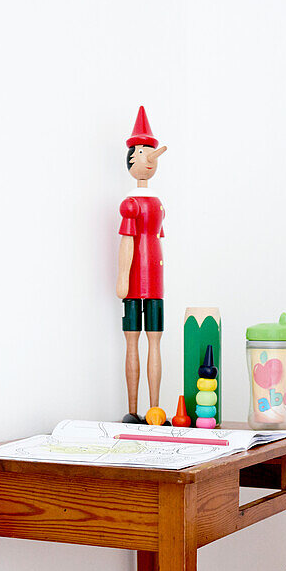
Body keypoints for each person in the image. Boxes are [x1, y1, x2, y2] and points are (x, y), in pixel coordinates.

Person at [116, 106, 167, 423]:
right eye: (143, 152)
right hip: (135, 283)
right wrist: (123, 278)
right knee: (134, 340)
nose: (149, 158)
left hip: (156, 283)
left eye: (152, 152)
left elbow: (156, 238)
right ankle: (133, 409)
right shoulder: (131, 202)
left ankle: (154, 409)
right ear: (131, 159)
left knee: (155, 339)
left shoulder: (158, 202)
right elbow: (127, 241)